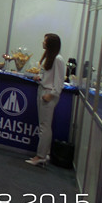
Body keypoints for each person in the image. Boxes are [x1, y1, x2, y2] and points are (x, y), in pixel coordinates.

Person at [26, 33, 66, 167]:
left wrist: (52, 94)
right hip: (43, 90)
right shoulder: (50, 57)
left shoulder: (58, 59)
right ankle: (43, 153)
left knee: (44, 126)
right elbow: (48, 75)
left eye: (45, 41)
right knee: (43, 125)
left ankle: (41, 156)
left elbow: (59, 81)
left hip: (48, 94)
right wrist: (39, 78)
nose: (43, 42)